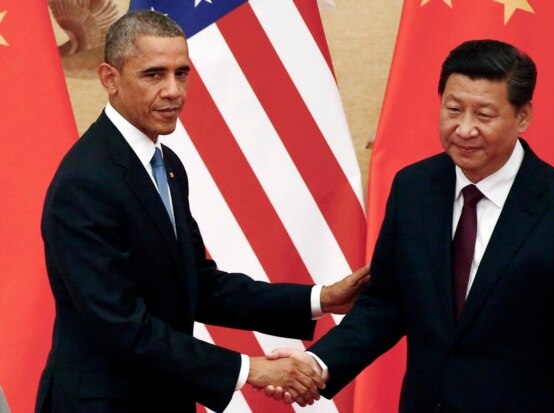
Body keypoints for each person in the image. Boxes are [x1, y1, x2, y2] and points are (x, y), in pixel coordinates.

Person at [267, 39, 554, 412]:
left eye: (484, 115)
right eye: (453, 109)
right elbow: (386, 302)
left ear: (523, 116)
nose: (465, 129)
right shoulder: (414, 188)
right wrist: (318, 363)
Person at [35, 10, 369, 413]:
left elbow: (198, 285)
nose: (174, 91)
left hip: (164, 398)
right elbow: (120, 326)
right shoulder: (86, 181)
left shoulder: (167, 165)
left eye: (182, 73)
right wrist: (250, 369)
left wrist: (323, 299)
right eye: (154, 75)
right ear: (110, 79)